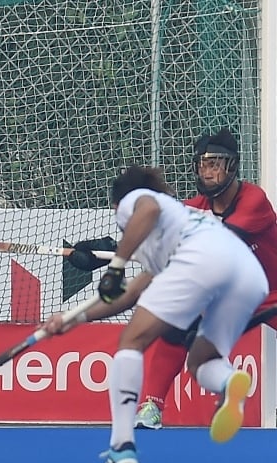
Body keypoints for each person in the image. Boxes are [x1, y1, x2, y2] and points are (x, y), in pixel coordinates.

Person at [44, 165, 267, 463]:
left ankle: (121, 446)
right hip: (248, 274)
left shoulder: (139, 201)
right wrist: (74, 317)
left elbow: (144, 209)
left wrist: (117, 266)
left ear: (117, 205)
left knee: (130, 342)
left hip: (202, 261)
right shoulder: (176, 225)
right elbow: (132, 294)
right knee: (201, 361)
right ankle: (229, 382)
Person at [68, 128, 277, 431]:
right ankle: (151, 405)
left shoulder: (253, 199)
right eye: (203, 164)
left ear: (232, 166)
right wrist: (107, 250)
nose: (208, 172)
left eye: (216, 164)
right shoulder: (193, 208)